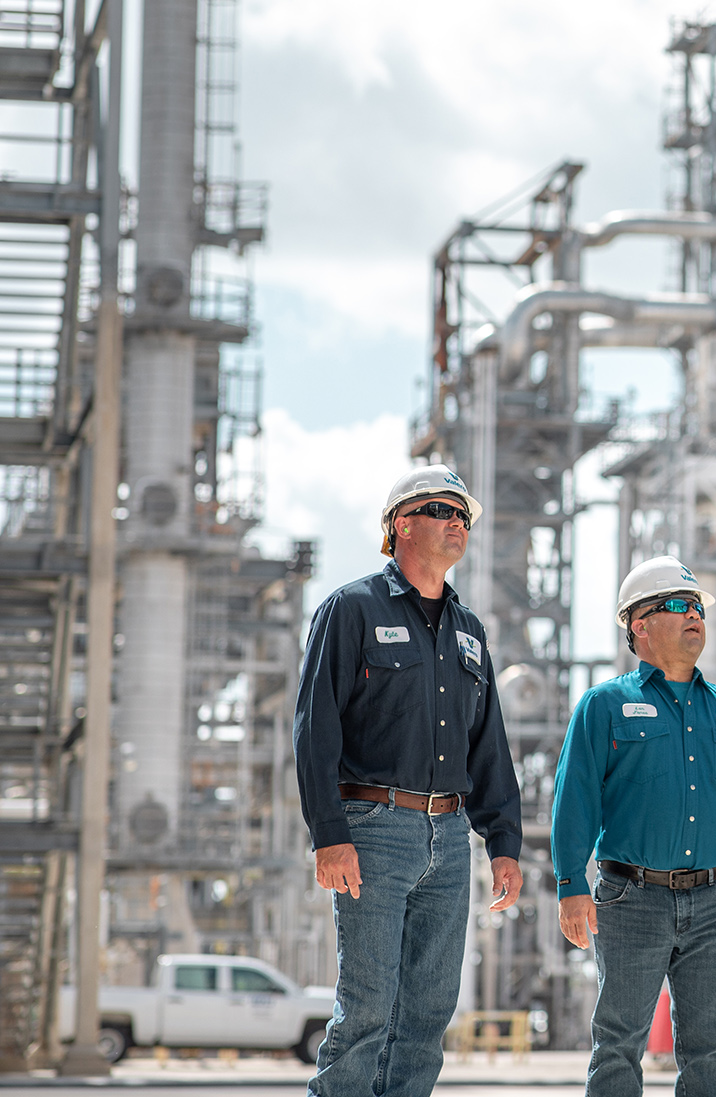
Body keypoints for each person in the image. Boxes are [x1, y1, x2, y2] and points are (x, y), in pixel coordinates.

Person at [293, 465, 524, 1097]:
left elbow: (489, 747)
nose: (459, 524)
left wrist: (503, 843)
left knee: (427, 1012)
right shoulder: (352, 609)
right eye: (444, 511)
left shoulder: (470, 632)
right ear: (402, 525)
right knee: (366, 1007)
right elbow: (316, 730)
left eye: (464, 517)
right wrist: (328, 834)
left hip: (449, 839)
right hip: (373, 831)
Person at [553, 556, 716, 1097]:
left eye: (699, 608)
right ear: (639, 624)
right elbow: (575, 801)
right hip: (630, 899)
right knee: (618, 1044)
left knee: (710, 1050)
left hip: (714, 900)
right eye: (679, 606)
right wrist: (570, 884)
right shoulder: (605, 705)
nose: (695, 616)